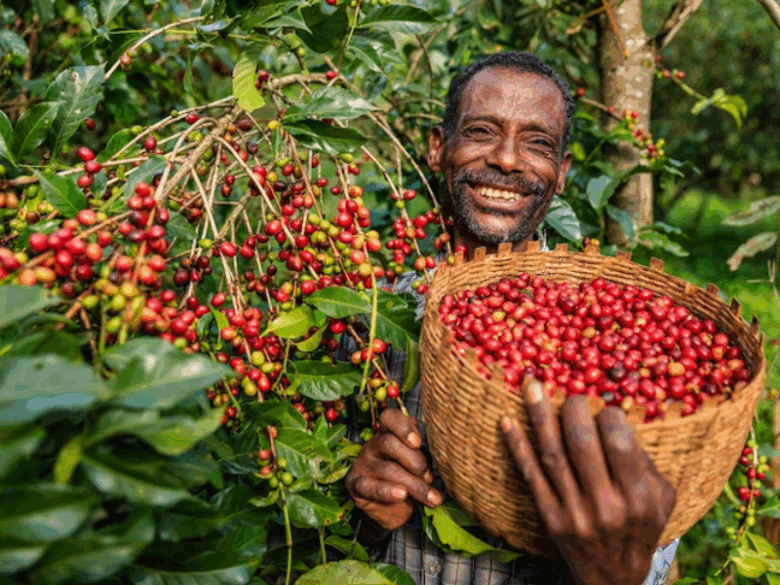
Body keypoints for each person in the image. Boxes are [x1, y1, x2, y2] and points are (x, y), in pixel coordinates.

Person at [344, 51, 680, 585]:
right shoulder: (369, 322)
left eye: (538, 143)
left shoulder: (611, 337)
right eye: (481, 131)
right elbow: (307, 525)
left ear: (563, 173)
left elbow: (658, 547)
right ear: (438, 148)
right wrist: (363, 520)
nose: (506, 159)